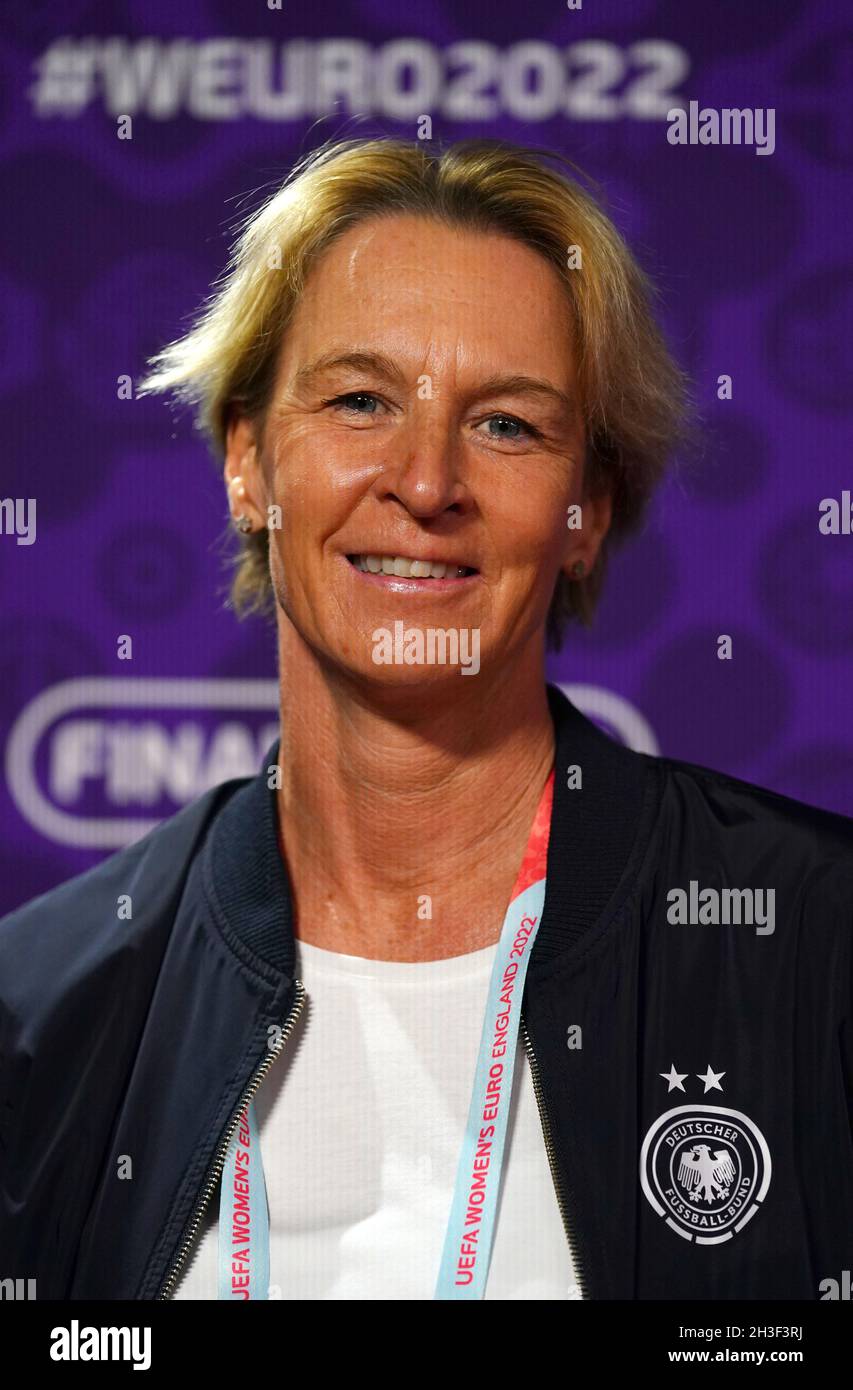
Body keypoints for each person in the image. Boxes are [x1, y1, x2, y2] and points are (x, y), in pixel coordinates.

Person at [1, 138, 851, 1302]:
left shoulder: (816, 942)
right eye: (359, 399)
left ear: (585, 510)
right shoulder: (42, 1003)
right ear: (248, 462)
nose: (426, 481)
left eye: (506, 424)